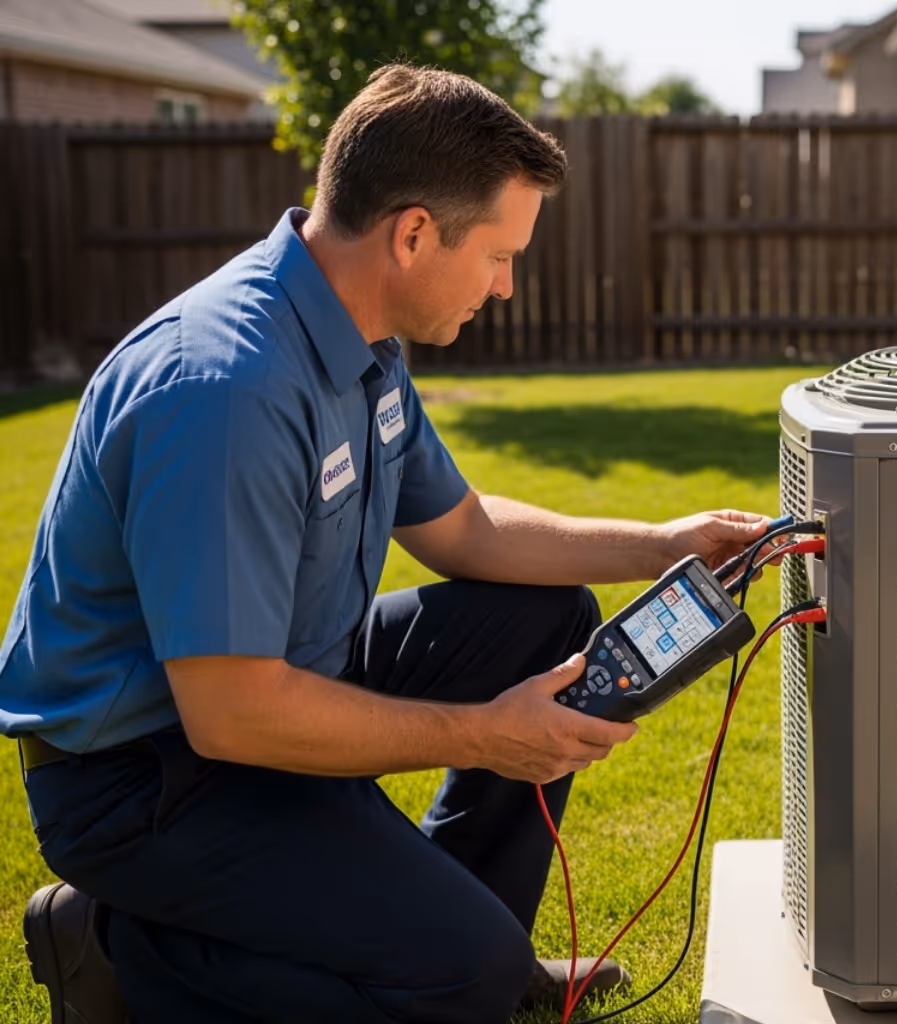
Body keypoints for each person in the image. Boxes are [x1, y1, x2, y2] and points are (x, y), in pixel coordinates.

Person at [0, 64, 773, 1024]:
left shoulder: (359, 341)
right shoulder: (225, 390)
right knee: (465, 978)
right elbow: (232, 714)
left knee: (543, 617)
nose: (506, 284)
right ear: (412, 234)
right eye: (498, 254)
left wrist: (662, 545)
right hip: (146, 776)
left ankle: (458, 929)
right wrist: (489, 733)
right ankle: (120, 950)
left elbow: (465, 529)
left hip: (279, 678)